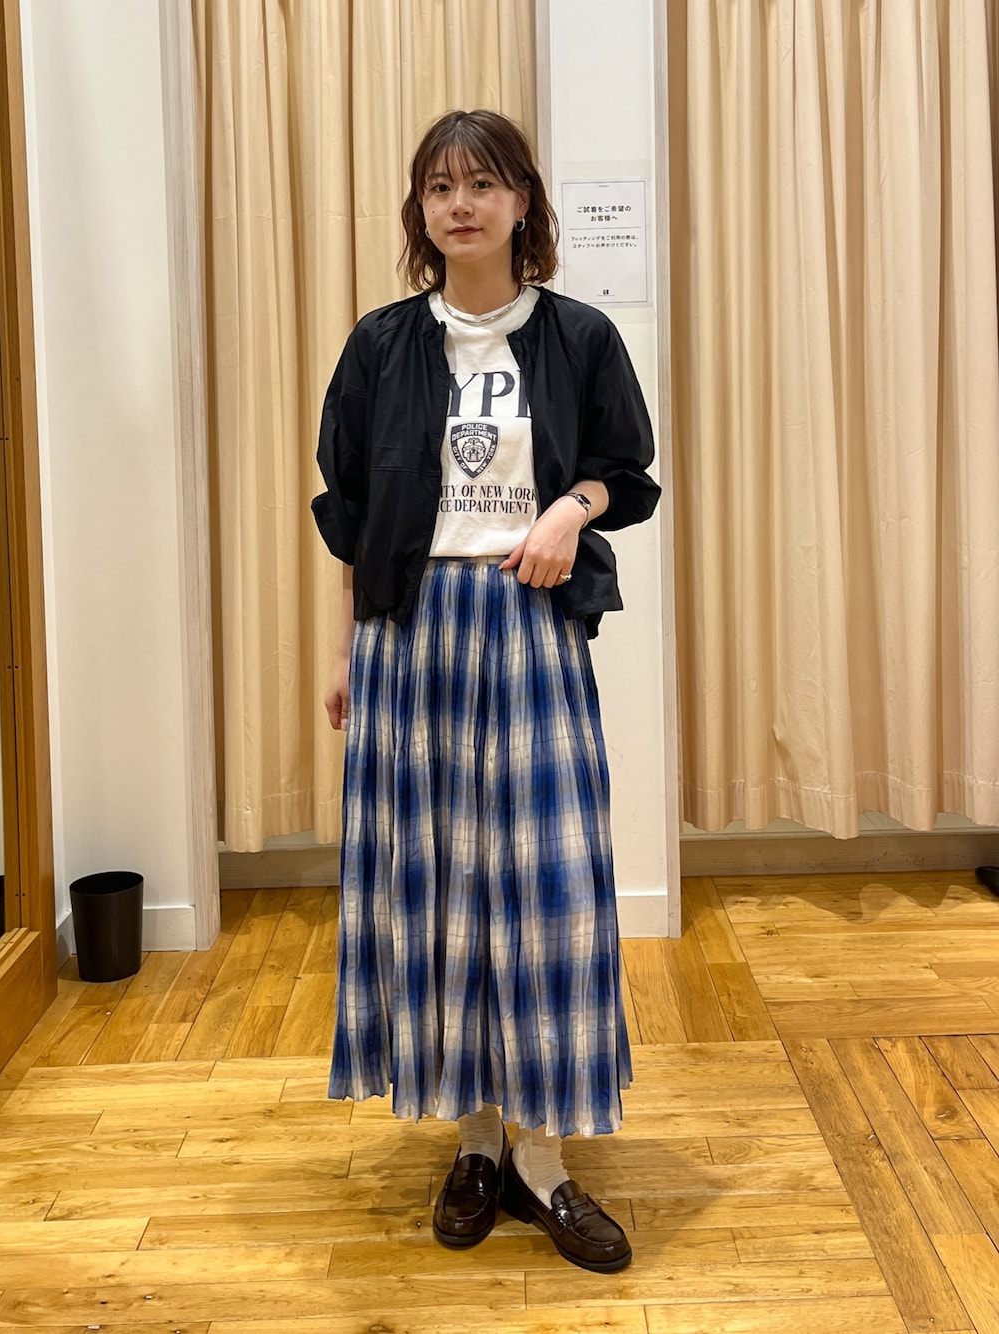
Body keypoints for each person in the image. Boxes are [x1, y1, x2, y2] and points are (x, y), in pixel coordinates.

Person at [312, 108, 659, 1274]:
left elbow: (622, 472)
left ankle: (542, 1158)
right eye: (439, 187)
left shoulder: (577, 336)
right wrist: (347, 648)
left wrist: (568, 508)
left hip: (528, 625)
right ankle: (472, 1142)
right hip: (408, 633)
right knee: (438, 890)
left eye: (483, 183)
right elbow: (353, 516)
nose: (459, 204)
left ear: (522, 203)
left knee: (548, 893)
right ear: (421, 210)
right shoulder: (380, 345)